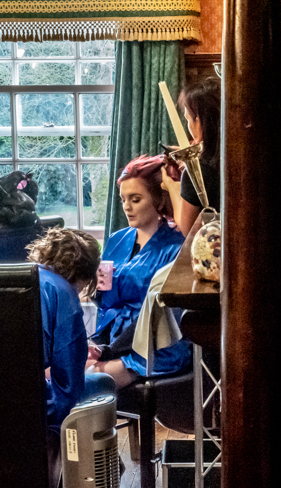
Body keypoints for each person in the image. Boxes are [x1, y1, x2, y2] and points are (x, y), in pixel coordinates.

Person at [87, 155, 190, 389]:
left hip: (155, 348)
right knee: (51, 373)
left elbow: (161, 318)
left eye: (135, 199)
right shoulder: (116, 240)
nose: (126, 207)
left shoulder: (175, 248)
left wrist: (107, 351)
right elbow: (104, 301)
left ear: (158, 200)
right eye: (123, 199)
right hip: (111, 339)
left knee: (82, 382)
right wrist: (93, 288)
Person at [26, 227, 115, 431]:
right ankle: (79, 451)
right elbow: (68, 383)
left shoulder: (23, 278)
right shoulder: (64, 294)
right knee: (104, 383)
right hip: (34, 404)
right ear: (87, 275)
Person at [160, 77, 221, 235]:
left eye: (188, 119)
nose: (188, 126)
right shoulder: (236, 158)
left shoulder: (198, 172)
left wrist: (172, 187)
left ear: (199, 121)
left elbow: (187, 229)